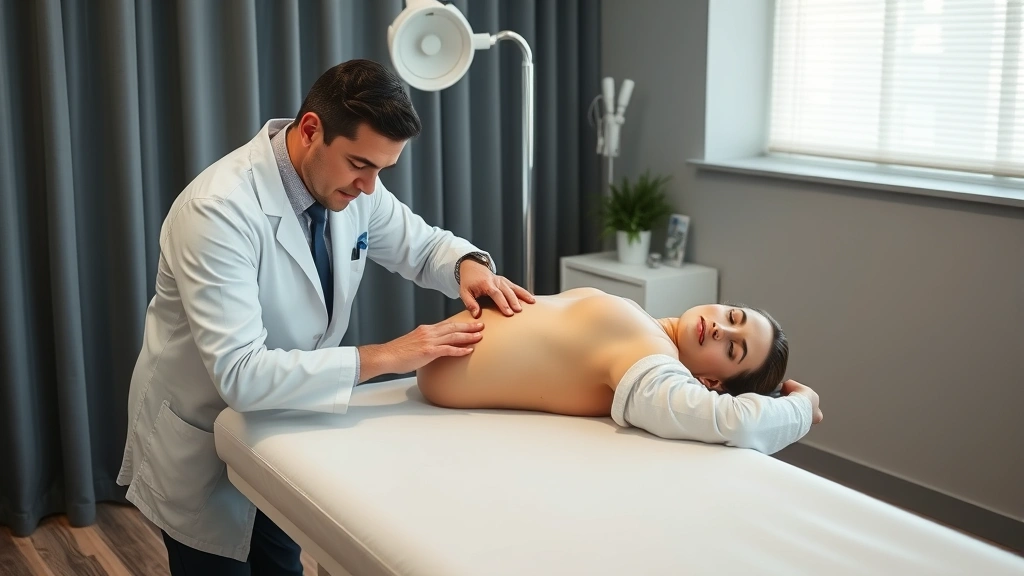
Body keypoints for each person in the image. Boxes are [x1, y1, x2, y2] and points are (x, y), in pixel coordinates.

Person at [116, 59, 534, 575]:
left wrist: (469, 266)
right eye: (360, 164)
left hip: (280, 429)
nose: (369, 187)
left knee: (283, 566)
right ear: (312, 129)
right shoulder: (218, 210)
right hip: (201, 440)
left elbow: (425, 247)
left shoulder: (352, 187)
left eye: (382, 170)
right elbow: (241, 374)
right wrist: (391, 355)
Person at [417, 287, 824, 455]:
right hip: (431, 360)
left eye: (732, 348)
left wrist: (804, 407)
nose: (722, 328)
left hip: (438, 380)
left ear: (711, 383)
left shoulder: (649, 352)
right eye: (733, 316)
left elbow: (733, 421)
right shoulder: (644, 326)